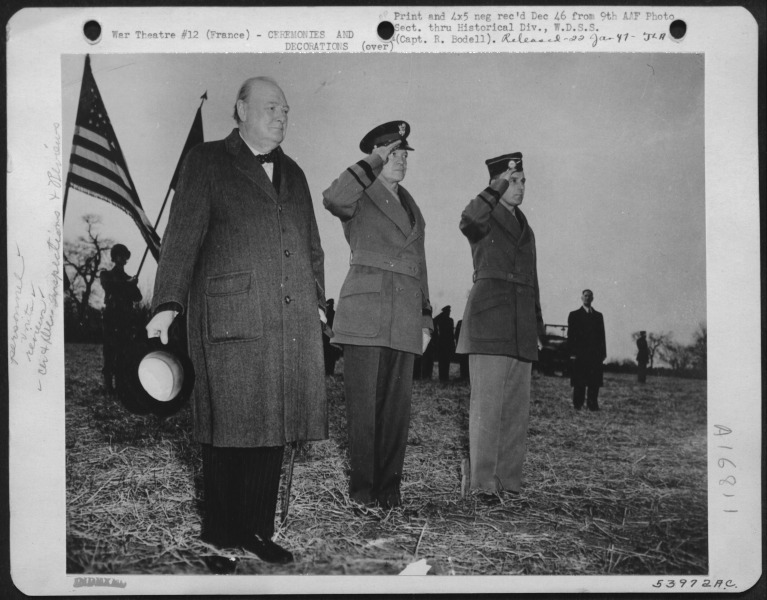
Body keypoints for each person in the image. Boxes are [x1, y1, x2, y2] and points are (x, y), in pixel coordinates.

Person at [145, 77, 327, 570]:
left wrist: (319, 303)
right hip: (229, 319)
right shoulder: (205, 161)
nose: (281, 115)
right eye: (271, 106)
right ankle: (220, 534)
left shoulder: (297, 174)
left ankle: (256, 531)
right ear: (241, 109)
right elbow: (180, 237)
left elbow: (311, 246)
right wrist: (168, 303)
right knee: (229, 427)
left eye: (286, 109)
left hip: (287, 322)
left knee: (273, 425)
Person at [323, 120, 432, 509]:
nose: (401, 159)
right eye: (393, 153)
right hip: (367, 309)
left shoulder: (411, 204)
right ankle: (363, 493)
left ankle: (389, 492)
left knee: (395, 412)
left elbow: (419, 264)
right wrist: (371, 161)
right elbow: (333, 198)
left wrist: (425, 317)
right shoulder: (360, 194)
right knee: (364, 411)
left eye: (404, 153)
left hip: (404, 314)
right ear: (377, 155)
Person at [456, 152, 544, 499]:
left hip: (520, 325)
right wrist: (494, 189)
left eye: (522, 180)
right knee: (487, 409)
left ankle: (509, 482)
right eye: (512, 180)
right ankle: (481, 484)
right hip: (490, 320)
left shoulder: (526, 226)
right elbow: (467, 220)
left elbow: (532, 279)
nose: (519, 187)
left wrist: (535, 327)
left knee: (515, 410)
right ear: (496, 183)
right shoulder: (484, 214)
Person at [100, 243, 142, 394]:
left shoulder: (128, 278)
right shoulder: (106, 275)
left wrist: (133, 285)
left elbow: (138, 297)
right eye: (119, 255)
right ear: (114, 257)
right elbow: (110, 286)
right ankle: (108, 386)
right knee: (110, 351)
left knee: (123, 351)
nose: (122, 258)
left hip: (125, 319)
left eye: (124, 256)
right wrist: (128, 284)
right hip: (111, 318)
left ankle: (120, 385)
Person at [567, 289, 607, 411]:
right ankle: (578, 404)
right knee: (579, 380)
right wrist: (572, 353)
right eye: (585, 296)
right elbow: (571, 336)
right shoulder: (574, 315)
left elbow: (602, 336)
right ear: (581, 298)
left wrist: (603, 353)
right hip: (580, 354)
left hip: (595, 355)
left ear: (592, 298)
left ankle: (592, 404)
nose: (587, 298)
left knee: (594, 381)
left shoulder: (598, 316)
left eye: (589, 296)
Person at [433, 306, 456, 381]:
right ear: (445, 312)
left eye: (449, 311)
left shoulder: (448, 320)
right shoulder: (443, 320)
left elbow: (452, 334)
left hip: (445, 343)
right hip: (443, 343)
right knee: (443, 361)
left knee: (445, 361)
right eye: (448, 311)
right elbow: (434, 320)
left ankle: (444, 377)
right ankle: (443, 377)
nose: (449, 313)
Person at [323, 299, 341, 376]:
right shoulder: (334, 314)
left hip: (328, 341)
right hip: (330, 341)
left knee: (329, 359)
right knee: (330, 360)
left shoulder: (329, 314)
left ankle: (329, 373)